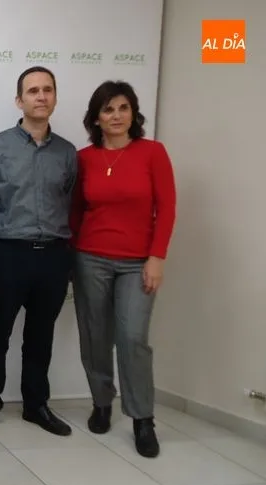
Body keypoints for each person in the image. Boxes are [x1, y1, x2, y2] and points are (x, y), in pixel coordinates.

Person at [0, 66, 77, 437]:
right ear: (20, 100)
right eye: (33, 91)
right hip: (7, 255)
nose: (41, 96)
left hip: (52, 256)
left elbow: (72, 202)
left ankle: (35, 405)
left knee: (40, 334)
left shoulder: (67, 153)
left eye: (48, 89)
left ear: (55, 98)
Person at [71, 80, 176, 458]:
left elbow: (166, 208)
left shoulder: (153, 153)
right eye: (108, 110)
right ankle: (102, 402)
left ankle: (142, 418)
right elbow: (76, 211)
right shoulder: (84, 159)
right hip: (90, 257)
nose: (116, 116)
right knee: (95, 336)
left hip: (138, 263)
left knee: (132, 337)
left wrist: (157, 257)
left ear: (134, 113)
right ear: (96, 118)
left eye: (123, 108)